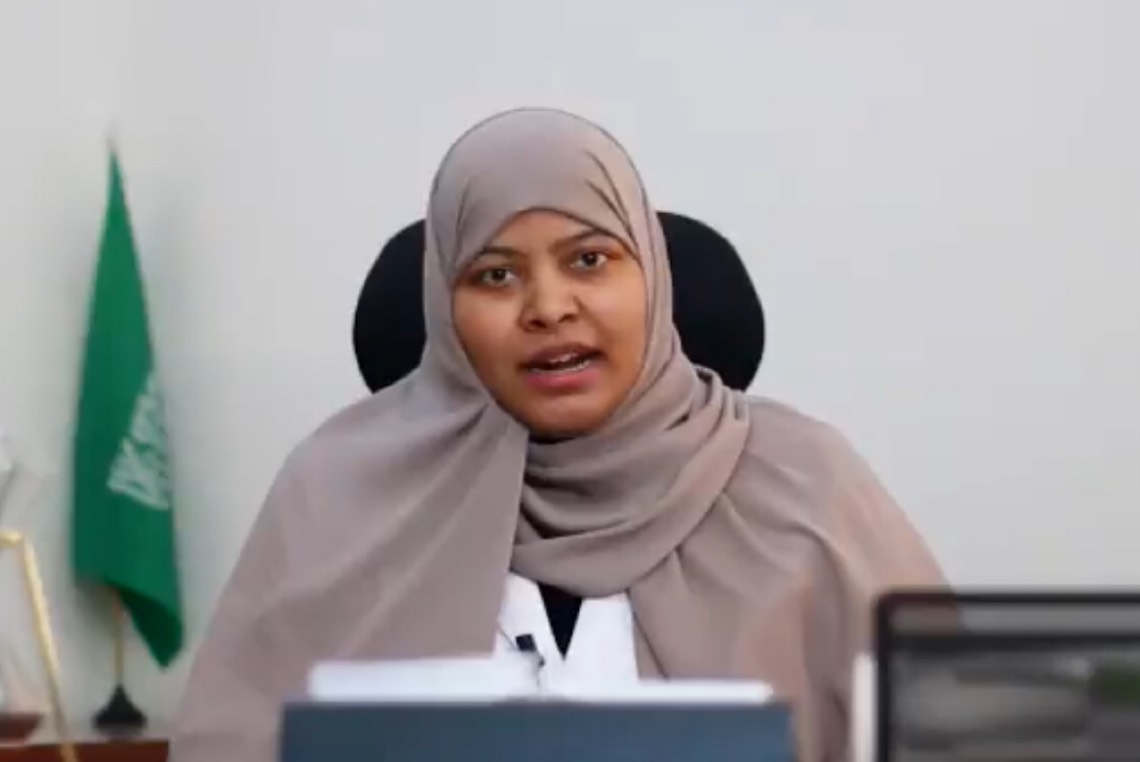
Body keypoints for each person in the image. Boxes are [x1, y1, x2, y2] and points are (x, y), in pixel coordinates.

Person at [168, 107, 946, 762]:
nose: (548, 307)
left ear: (652, 278)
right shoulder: (336, 493)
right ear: (445, 308)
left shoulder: (807, 482)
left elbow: (956, 733)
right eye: (495, 275)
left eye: (590, 260)